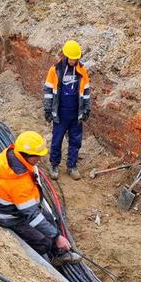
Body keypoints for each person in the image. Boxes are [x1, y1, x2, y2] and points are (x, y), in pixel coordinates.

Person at [0, 131, 81, 266]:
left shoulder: (14, 155)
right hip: (8, 216)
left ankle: (59, 251)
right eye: (37, 156)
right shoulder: (17, 182)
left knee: (49, 219)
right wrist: (56, 237)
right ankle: (50, 257)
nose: (40, 159)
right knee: (44, 242)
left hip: (16, 207)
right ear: (27, 155)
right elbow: (31, 215)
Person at [43, 40, 91, 180]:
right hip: (61, 113)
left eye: (76, 59)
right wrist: (47, 108)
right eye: (72, 58)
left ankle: (72, 166)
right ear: (65, 56)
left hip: (76, 113)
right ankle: (54, 165)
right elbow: (48, 90)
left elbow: (86, 90)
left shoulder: (82, 70)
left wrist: (87, 109)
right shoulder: (55, 70)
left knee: (76, 141)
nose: (73, 61)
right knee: (57, 140)